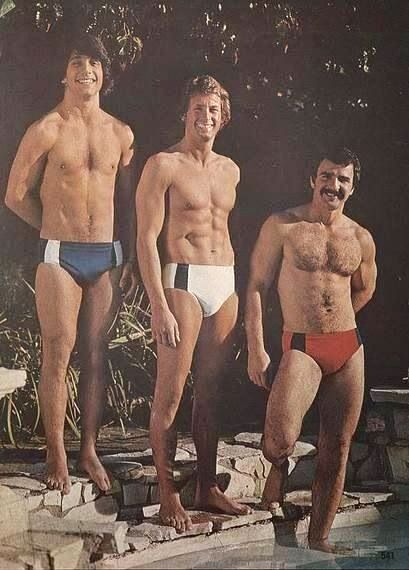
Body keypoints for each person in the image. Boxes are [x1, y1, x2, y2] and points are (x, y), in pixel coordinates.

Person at [5, 34, 137, 494]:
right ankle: (56, 452)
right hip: (59, 254)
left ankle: (89, 450)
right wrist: (51, 228)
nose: (86, 70)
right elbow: (15, 195)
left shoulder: (121, 134)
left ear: (104, 73)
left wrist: (129, 255)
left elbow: (129, 203)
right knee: (57, 353)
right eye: (77, 62)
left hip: (107, 256)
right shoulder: (46, 129)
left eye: (94, 63)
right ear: (64, 74)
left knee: (97, 356)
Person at [245, 146, 377, 552]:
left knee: (338, 446)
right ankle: (278, 468)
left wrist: (337, 320)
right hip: (302, 345)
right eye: (326, 176)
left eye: (342, 179)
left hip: (348, 347)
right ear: (312, 179)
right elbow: (256, 286)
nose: (333, 185)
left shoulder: (361, 238)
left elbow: (365, 288)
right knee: (279, 441)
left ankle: (319, 538)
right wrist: (256, 347)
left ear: (352, 188)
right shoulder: (283, 226)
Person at [136, 75, 251, 532]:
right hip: (181, 282)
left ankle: (206, 486)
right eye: (198, 108)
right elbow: (146, 240)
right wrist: (158, 304)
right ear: (185, 112)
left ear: (224, 117)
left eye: (214, 109)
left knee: (211, 392)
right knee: (170, 395)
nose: (206, 116)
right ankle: (168, 494)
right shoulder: (163, 165)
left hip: (224, 283)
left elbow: (225, 232)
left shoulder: (231, 170)